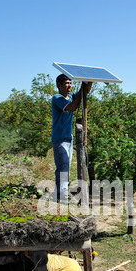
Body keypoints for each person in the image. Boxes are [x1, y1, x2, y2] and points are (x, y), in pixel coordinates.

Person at [51, 74, 92, 203]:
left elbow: (84, 92)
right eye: (66, 83)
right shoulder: (57, 98)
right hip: (60, 139)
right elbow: (72, 107)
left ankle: (63, 193)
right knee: (62, 167)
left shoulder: (71, 97)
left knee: (66, 167)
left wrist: (87, 82)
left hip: (69, 138)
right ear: (59, 85)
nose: (69, 85)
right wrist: (82, 87)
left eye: (70, 83)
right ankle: (60, 195)